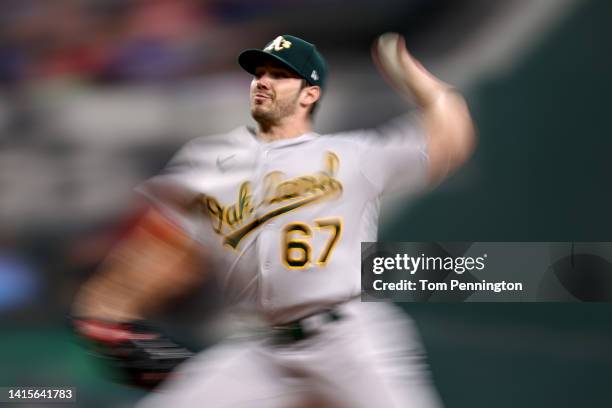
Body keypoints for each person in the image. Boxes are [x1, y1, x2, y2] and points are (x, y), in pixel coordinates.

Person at [73, 33, 475, 407]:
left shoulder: (352, 155)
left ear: (310, 94)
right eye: (260, 73)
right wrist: (111, 309)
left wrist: (431, 89)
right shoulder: (209, 162)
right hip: (264, 349)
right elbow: (167, 246)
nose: (263, 82)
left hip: (348, 338)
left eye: (280, 75)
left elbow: (448, 141)